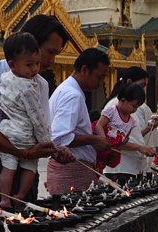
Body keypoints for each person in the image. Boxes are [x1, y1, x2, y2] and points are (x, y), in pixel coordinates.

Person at [0, 15, 73, 207]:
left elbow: (40, 128)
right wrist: (24, 153)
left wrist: (54, 150)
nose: (53, 60)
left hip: (27, 168)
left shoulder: (40, 84)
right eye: (50, 52)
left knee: (25, 224)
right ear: (32, 45)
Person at [0, 33, 50, 209]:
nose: (35, 69)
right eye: (29, 65)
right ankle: (20, 195)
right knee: (30, 166)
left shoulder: (5, 78)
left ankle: (4, 198)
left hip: (6, 132)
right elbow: (37, 116)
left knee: (8, 168)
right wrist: (46, 142)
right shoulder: (27, 88)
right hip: (24, 136)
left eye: (37, 63)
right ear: (12, 64)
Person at [46, 48, 111, 195]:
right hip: (72, 169)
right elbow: (60, 138)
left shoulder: (68, 90)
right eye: (99, 77)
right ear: (84, 70)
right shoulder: (72, 95)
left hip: (74, 167)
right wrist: (94, 139)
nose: (100, 83)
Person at [101, 67, 158, 181]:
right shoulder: (113, 108)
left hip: (132, 167)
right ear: (129, 83)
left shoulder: (130, 110)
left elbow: (130, 137)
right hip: (120, 168)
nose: (143, 90)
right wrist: (140, 147)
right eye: (141, 86)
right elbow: (113, 140)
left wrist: (148, 128)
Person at [94, 83, 155, 175]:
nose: (135, 110)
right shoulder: (111, 111)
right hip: (105, 151)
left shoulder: (132, 121)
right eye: (133, 106)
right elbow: (99, 125)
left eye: (137, 108)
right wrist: (103, 138)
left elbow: (124, 141)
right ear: (123, 100)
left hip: (115, 157)